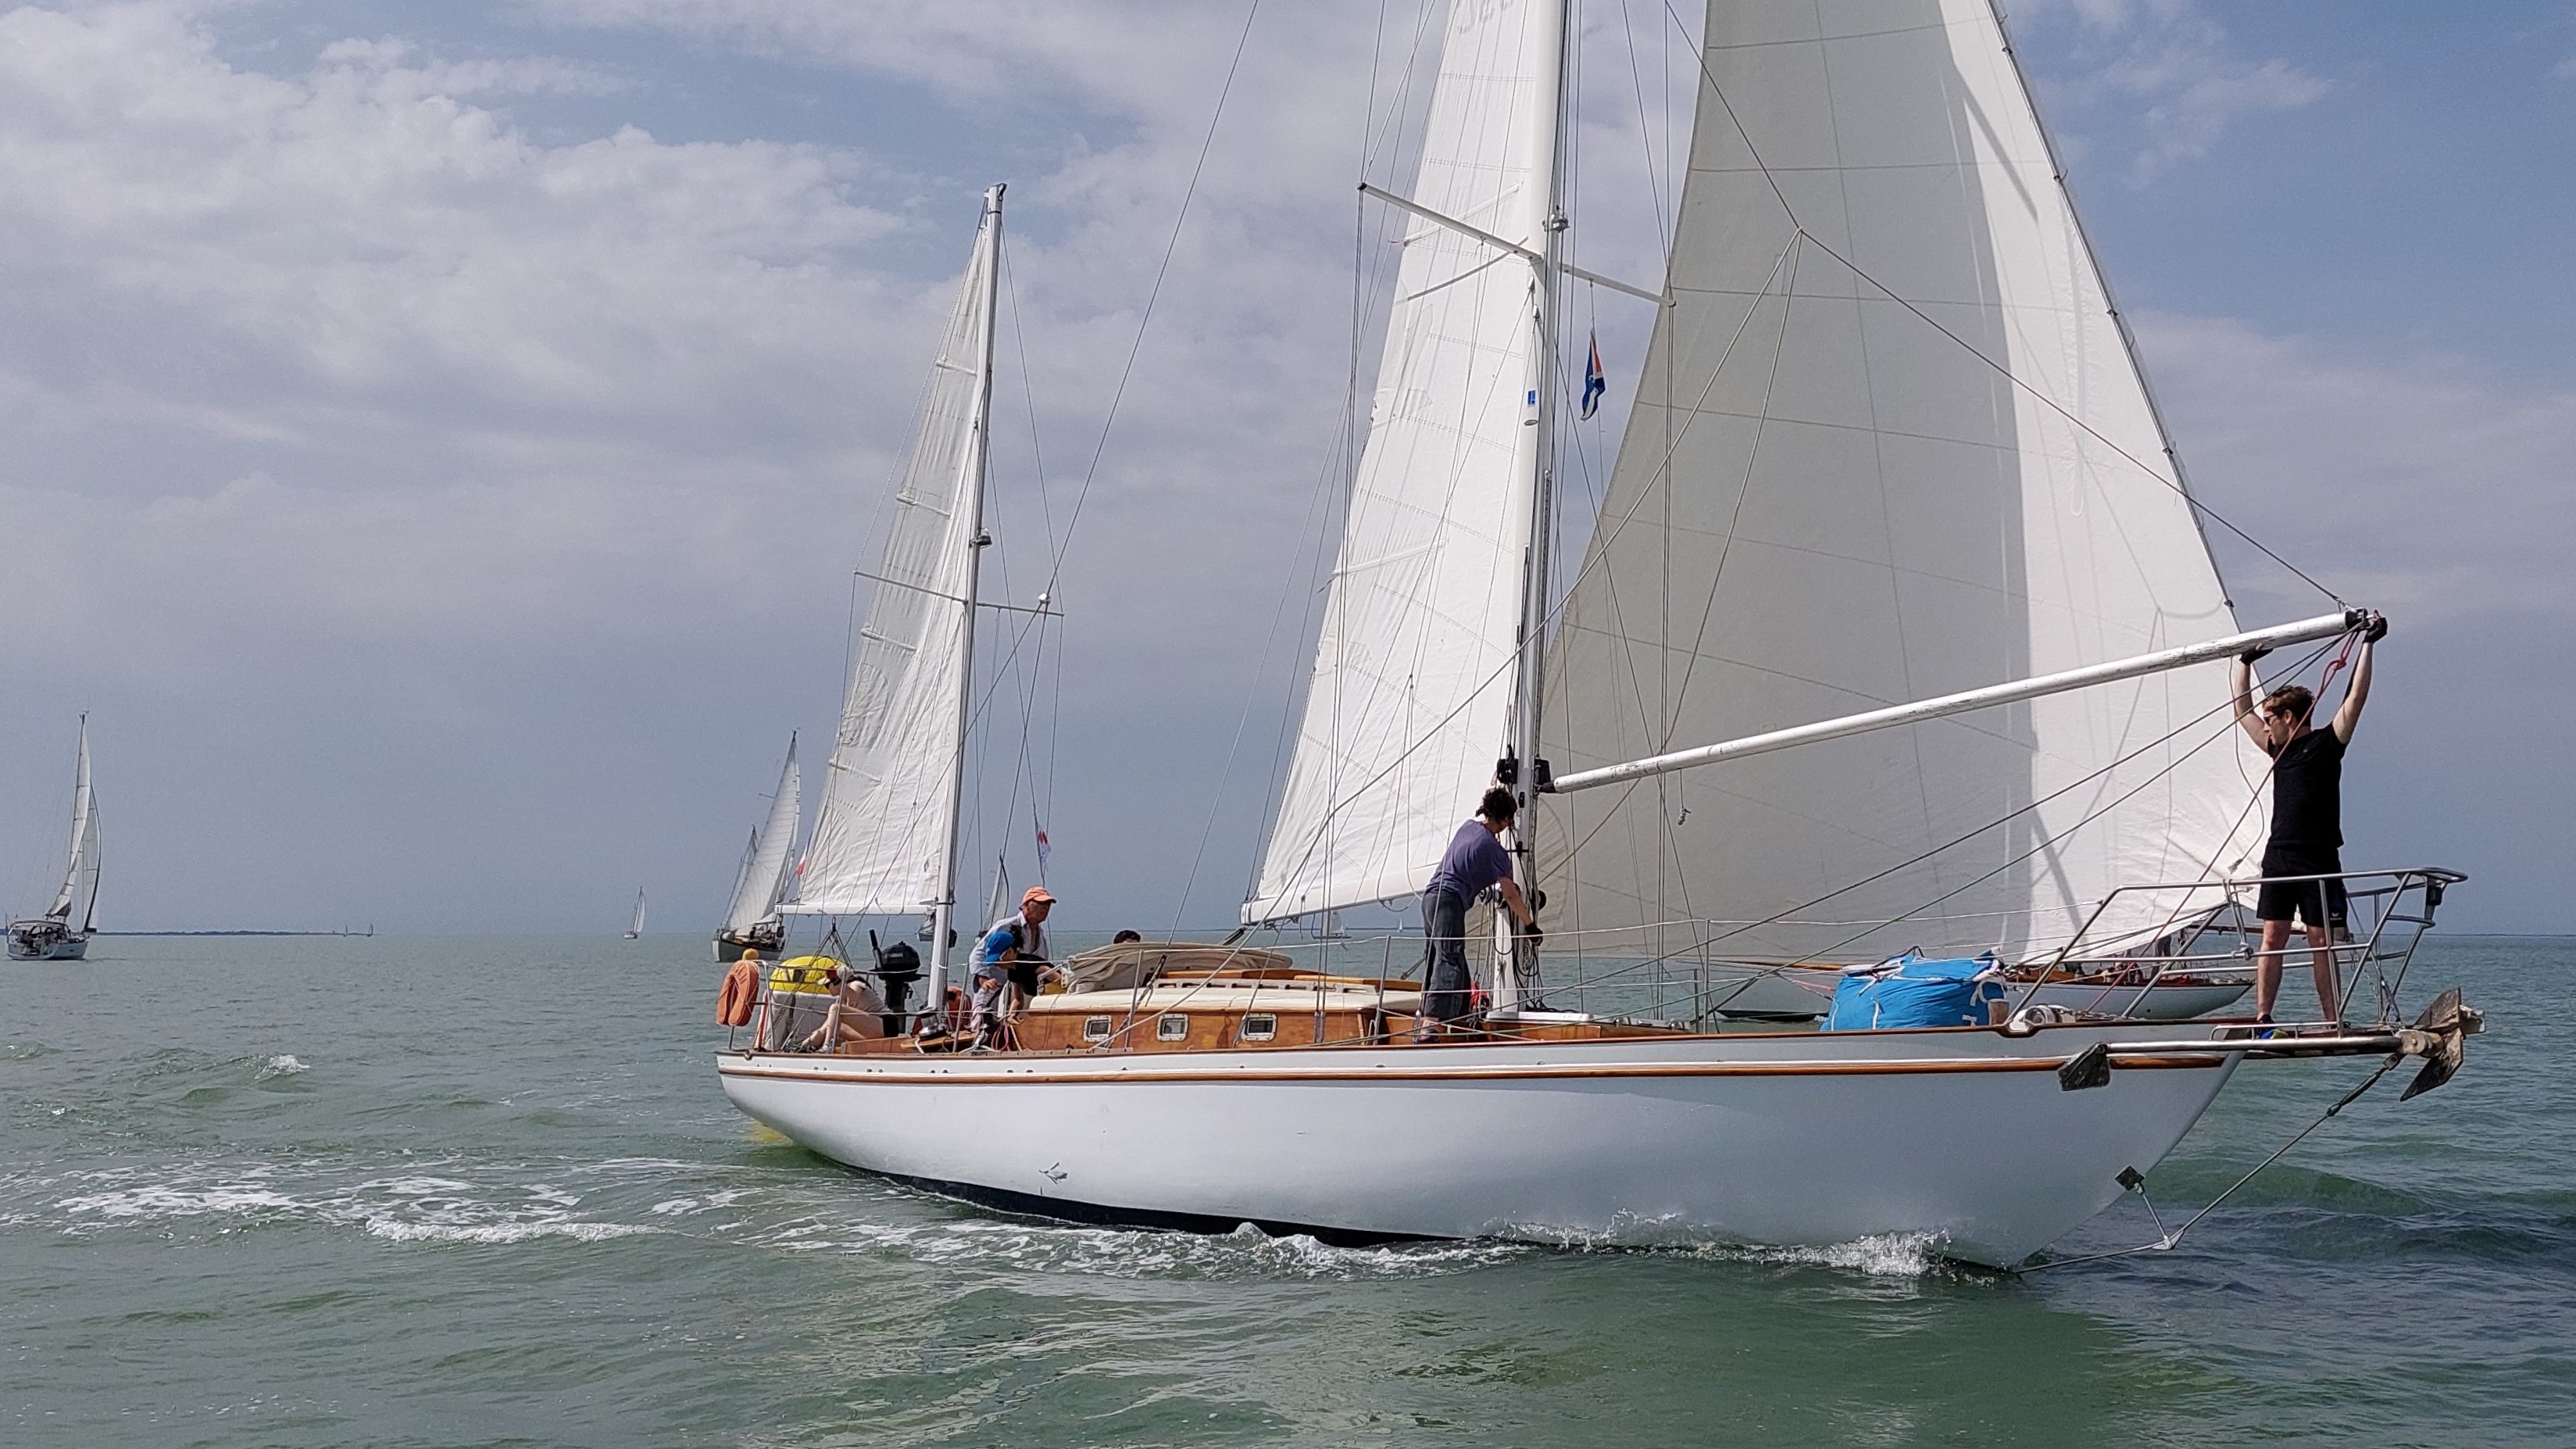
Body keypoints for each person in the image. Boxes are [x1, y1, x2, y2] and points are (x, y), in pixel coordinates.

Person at [2232, 614, 2382, 1027]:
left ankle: (2333, 1019)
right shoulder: (2275, 751)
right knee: (2272, 938)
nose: (2264, 725)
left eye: (2270, 719)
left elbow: (2356, 698)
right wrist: (2244, 664)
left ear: (2288, 718)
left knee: (2321, 942)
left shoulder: (2326, 744)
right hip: (2279, 856)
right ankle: (2263, 1016)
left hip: (2319, 858)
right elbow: (2241, 710)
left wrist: (2368, 644)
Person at [1415, 785, 1539, 1037]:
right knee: (1449, 958)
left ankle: (1458, 1016)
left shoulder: (1468, 827)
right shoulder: (1496, 852)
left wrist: (1497, 785)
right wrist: (1530, 925)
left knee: (1440, 956)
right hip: (1450, 901)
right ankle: (1431, 1024)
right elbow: (1511, 895)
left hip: (1430, 898)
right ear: (1506, 819)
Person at [969, 886, 1059, 1049]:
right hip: (993, 985)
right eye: (1040, 904)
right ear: (1025, 905)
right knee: (982, 1024)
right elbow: (978, 953)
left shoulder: (1040, 935)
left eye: (1048, 905)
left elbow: (1043, 968)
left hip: (1020, 986)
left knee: (1018, 1027)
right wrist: (984, 979)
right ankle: (981, 1052)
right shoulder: (1006, 926)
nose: (1045, 908)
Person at [801, 965, 889, 1051]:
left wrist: (840, 984)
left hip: (886, 1025)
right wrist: (816, 1035)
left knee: (835, 1009)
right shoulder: (841, 999)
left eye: (827, 985)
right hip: (871, 1032)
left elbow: (854, 997)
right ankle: (802, 1047)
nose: (828, 989)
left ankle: (827, 1045)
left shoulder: (856, 984)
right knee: (829, 1027)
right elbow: (826, 1027)